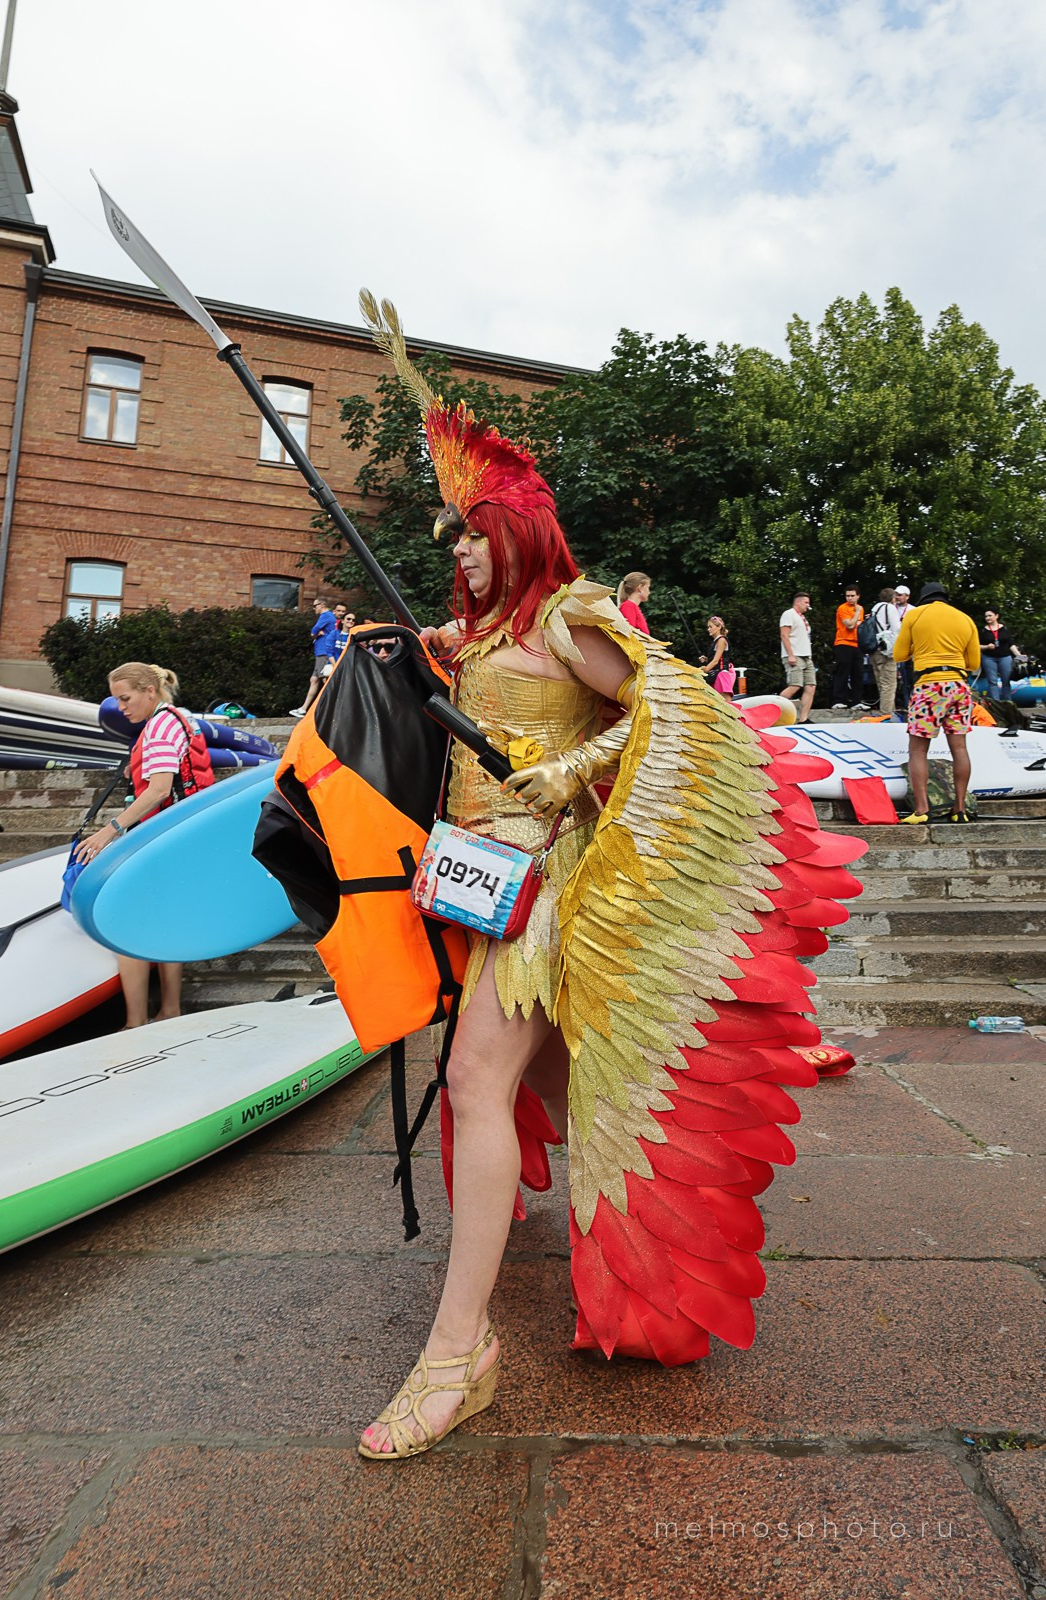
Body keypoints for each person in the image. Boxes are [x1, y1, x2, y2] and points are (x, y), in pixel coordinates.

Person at [332, 296, 864, 1461]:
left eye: (472, 532)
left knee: (475, 1081)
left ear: (516, 530)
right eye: (451, 536)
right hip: (471, 884)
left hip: (549, 883)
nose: (458, 551)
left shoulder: (573, 615)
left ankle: (456, 1351)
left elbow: (680, 711)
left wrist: (565, 764)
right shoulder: (472, 639)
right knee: (581, 1096)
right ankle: (655, 1253)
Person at [76, 661, 214, 1026]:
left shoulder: (158, 728)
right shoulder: (177, 718)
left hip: (162, 838)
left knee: (126, 921)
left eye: (125, 699)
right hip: (182, 837)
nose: (121, 708)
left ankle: (135, 1021)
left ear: (149, 691)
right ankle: (169, 1009)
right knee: (167, 923)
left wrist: (110, 830)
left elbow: (159, 789)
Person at [892, 582, 981, 824]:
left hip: (929, 686)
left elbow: (899, 655)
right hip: (959, 686)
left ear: (922, 599)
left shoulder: (915, 615)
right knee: (960, 748)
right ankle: (959, 809)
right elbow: (973, 662)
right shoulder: (964, 619)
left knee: (918, 750)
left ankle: (921, 810)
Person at [290, 598, 340, 718]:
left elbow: (313, 632)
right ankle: (303, 709)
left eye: (315, 606)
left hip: (323, 652)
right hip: (321, 652)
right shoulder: (329, 617)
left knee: (324, 680)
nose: (314, 608)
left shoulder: (325, 615)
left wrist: (317, 633)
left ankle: (328, 710)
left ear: (322, 605)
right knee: (314, 679)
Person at [778, 592, 815, 722]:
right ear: (797, 602)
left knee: (811, 685)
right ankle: (774, 707)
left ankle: (803, 718)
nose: (808, 606)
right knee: (795, 685)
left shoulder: (802, 618)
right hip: (795, 655)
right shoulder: (789, 614)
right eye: (806, 602)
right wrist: (790, 654)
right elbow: (784, 635)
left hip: (806, 655)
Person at [867, 587, 901, 718]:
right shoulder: (890, 608)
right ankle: (886, 714)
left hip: (874, 649)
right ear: (892, 598)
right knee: (889, 683)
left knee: (881, 681)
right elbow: (896, 628)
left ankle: (890, 712)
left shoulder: (875, 608)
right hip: (886, 650)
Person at [831, 586, 864, 710]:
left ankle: (857, 701)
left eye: (852, 595)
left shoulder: (860, 608)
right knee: (842, 672)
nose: (849, 598)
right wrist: (856, 612)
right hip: (843, 643)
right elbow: (849, 625)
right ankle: (838, 700)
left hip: (857, 644)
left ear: (858, 596)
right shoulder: (843, 608)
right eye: (847, 596)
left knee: (858, 673)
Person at [979, 607, 1014, 702]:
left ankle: (1008, 702)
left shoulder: (1005, 629)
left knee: (1006, 681)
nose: (987, 618)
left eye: (990, 615)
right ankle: (996, 703)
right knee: (992, 681)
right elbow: (976, 646)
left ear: (996, 616)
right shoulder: (983, 631)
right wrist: (986, 647)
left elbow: (1010, 644)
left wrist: (1019, 655)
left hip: (1005, 657)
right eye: (986, 616)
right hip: (989, 658)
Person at [699, 615, 736, 697]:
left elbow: (716, 661)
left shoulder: (721, 640)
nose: (708, 629)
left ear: (719, 627)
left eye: (710, 627)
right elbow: (717, 658)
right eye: (708, 627)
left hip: (722, 674)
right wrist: (706, 659)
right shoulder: (715, 641)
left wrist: (706, 669)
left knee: (726, 703)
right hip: (715, 674)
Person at [893, 585, 915, 709]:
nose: (897, 597)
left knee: (909, 678)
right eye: (896, 594)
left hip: (909, 648)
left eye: (900, 595)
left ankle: (910, 704)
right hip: (894, 647)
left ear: (907, 596)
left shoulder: (913, 610)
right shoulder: (891, 608)